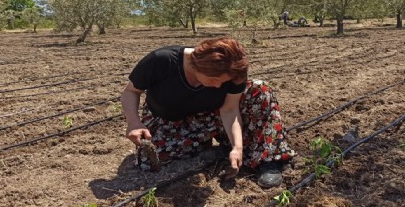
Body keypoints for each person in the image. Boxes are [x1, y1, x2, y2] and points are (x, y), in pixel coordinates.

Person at [122, 37, 295, 188]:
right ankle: (205, 147)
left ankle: (269, 159)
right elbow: (131, 91)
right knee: (150, 162)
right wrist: (134, 122)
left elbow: (229, 109)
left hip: (212, 116)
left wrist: (237, 147)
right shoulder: (161, 60)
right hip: (169, 121)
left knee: (259, 89)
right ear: (200, 68)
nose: (219, 86)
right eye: (214, 80)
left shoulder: (233, 72)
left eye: (223, 82)